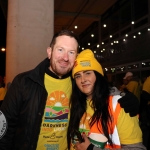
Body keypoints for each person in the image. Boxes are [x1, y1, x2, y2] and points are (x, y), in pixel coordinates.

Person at [0, 30, 139, 150]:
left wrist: (122, 96)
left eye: (71, 52)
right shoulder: (24, 82)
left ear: (75, 57)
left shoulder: (76, 83)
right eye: (60, 50)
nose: (65, 58)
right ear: (49, 52)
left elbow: (96, 87)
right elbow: (5, 126)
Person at [67, 49, 146, 150]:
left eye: (87, 73)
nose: (83, 80)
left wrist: (91, 149)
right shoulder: (74, 105)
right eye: (78, 76)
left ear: (98, 75)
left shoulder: (119, 106)